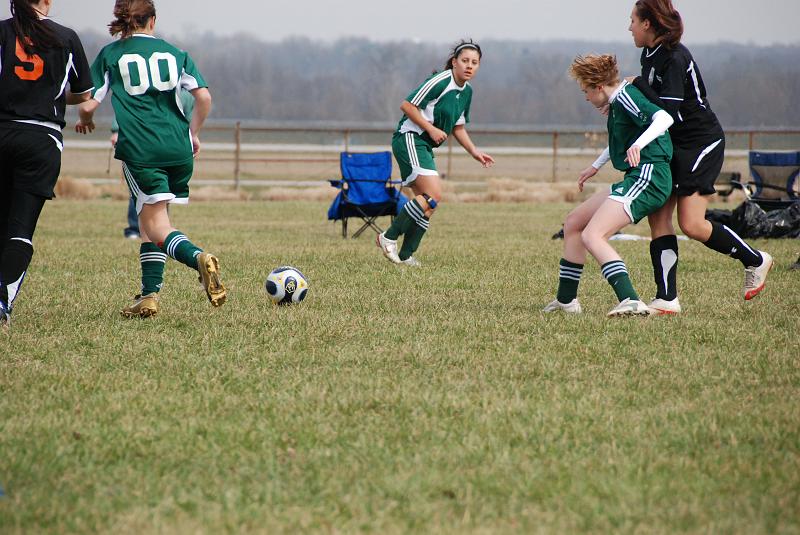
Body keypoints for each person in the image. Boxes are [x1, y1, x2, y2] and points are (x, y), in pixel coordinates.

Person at [75, 0, 225, 318]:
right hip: (179, 149)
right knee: (152, 220)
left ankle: (198, 258)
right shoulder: (176, 53)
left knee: (155, 225)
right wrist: (193, 133)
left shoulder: (111, 54)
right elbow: (204, 97)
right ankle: (148, 296)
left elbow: (88, 103)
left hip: (142, 149)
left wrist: (85, 117)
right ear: (152, 21)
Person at [628, 0, 772, 314]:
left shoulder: (677, 57)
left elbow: (667, 111)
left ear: (649, 24)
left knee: (692, 224)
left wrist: (637, 85)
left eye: (633, 21)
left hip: (700, 142)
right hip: (673, 144)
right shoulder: (648, 55)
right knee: (658, 217)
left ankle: (757, 260)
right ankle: (667, 299)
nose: (630, 28)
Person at [543, 54, 674, 317]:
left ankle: (631, 300)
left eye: (586, 91)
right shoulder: (616, 102)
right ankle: (566, 302)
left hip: (649, 176)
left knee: (593, 235)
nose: (586, 98)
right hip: (635, 175)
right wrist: (595, 165)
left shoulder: (625, 97)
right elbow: (622, 139)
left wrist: (639, 145)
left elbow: (663, 119)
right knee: (574, 223)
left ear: (599, 87)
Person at [0, 0, 94, 330]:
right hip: (41, 140)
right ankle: (2, 304)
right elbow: (83, 94)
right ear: (47, 2)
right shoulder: (66, 37)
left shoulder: (2, 31)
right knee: (20, 231)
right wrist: (50, 94)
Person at [376, 40, 494, 266]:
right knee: (433, 196)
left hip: (425, 146)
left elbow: (458, 127)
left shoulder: (467, 91)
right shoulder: (441, 81)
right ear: (454, 62)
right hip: (410, 138)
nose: (469, 66)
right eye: (465, 61)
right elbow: (407, 105)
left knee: (429, 205)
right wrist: (430, 128)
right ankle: (388, 237)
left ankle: (405, 255)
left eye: (475, 62)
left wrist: (475, 152)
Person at [110, 120, 141, 239]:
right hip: (138, 136)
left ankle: (157, 228)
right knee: (138, 186)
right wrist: (117, 130)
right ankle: (135, 228)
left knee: (161, 191)